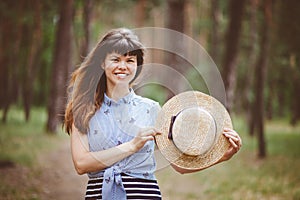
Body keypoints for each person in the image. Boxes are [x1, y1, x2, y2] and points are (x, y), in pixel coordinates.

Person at [64, 28, 242, 200]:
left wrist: (221, 157)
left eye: (130, 60)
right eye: (115, 59)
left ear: (137, 65)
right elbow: (81, 164)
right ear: (103, 63)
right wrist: (132, 146)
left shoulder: (152, 109)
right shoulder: (83, 109)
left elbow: (178, 166)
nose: (122, 66)